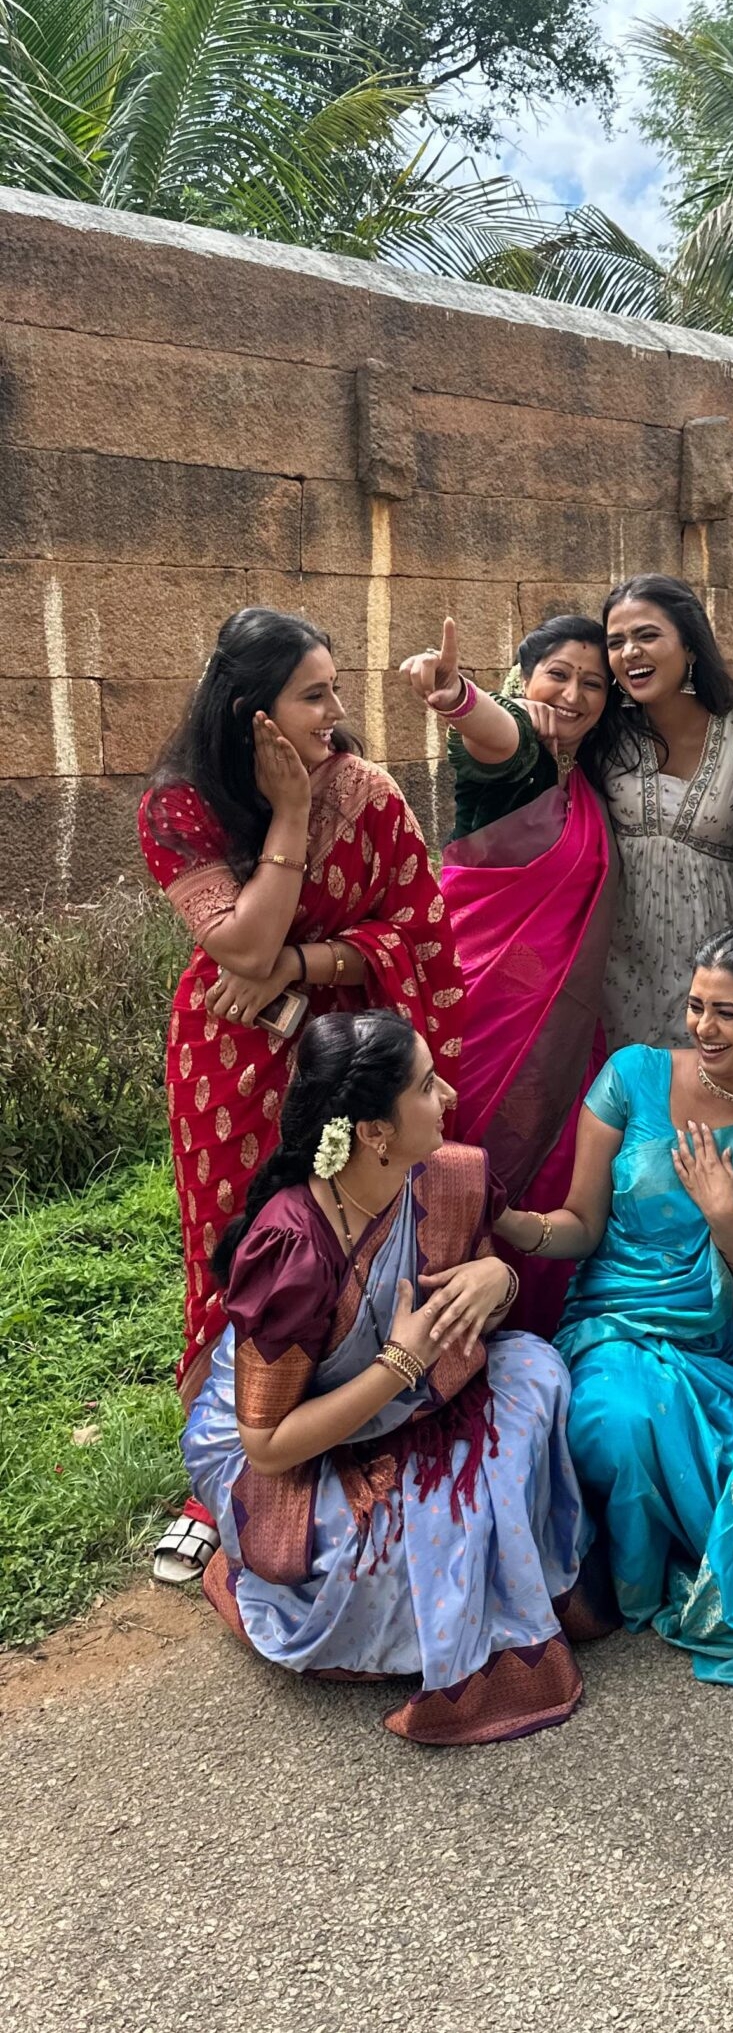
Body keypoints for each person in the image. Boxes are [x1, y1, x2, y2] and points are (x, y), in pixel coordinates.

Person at [139, 608, 469, 1585]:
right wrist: (287, 815)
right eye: (312, 695)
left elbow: (420, 936)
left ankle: (340, 1431)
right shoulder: (182, 803)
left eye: (334, 690)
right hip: (230, 1065)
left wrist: (304, 962)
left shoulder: (368, 795)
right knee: (238, 1252)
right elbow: (239, 946)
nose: (335, 712)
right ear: (254, 712)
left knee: (344, 1236)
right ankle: (219, 1481)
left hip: (344, 1061)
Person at [184, 1012, 592, 1746]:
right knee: (391, 1560)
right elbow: (269, 1445)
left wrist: (496, 1279)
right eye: (427, 1086)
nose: (448, 1097)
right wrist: (398, 1363)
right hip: (305, 1445)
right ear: (374, 1132)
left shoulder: (451, 1176)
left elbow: (478, 1304)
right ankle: (256, 1579)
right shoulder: (291, 1246)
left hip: (424, 1400)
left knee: (536, 1373)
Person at [503, 925, 733, 1685]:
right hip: (616, 1325)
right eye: (696, 1005)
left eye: (726, 1012)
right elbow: (582, 1225)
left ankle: (671, 1561)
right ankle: (631, 1581)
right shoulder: (633, 1076)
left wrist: (726, 1223)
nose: (702, 1026)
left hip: (732, 1347)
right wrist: (511, 1225)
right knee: (618, 1421)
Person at [397, 612, 624, 1336]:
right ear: (525, 679)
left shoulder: (588, 777)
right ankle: (427, 1330)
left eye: (594, 683)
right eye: (558, 674)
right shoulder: (517, 752)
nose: (574, 695)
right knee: (464, 1153)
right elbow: (493, 734)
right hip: (481, 1010)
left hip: (559, 1026)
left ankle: (530, 1329)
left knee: (552, 1166)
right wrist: (458, 697)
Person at [600, 575, 733, 1049]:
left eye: (647, 635)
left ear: (690, 645)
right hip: (618, 960)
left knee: (710, 1077)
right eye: (616, 642)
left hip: (716, 956)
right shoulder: (603, 734)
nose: (630, 652)